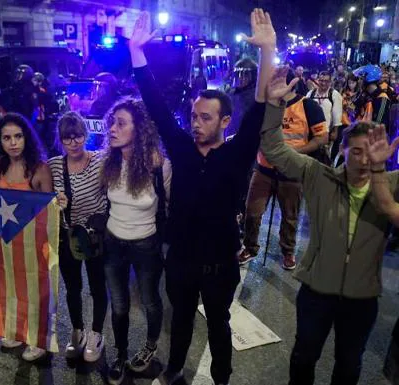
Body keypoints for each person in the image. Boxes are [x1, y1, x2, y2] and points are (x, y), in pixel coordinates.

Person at [128, 9, 275, 385]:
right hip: (180, 261)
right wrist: (136, 52)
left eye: (206, 117)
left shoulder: (237, 154)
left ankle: (221, 377)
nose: (196, 123)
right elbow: (157, 107)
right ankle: (175, 368)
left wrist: (267, 50)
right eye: (194, 116)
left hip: (220, 266)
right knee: (180, 320)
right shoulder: (181, 148)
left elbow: (259, 110)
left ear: (225, 121)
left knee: (219, 325)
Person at [261, 67, 392, 385]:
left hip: (362, 298)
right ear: (342, 152)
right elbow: (276, 150)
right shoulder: (319, 175)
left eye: (370, 153)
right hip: (317, 290)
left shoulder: (390, 187)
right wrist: (274, 107)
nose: (363, 159)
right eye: (355, 151)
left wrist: (380, 173)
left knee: (348, 365)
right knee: (304, 356)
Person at [99, 97, 171, 385]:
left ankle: (150, 348)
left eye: (121, 124)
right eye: (112, 123)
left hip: (146, 245)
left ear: (138, 129)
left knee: (151, 301)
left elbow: (172, 203)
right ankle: (119, 353)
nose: (113, 129)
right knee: (118, 304)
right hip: (113, 242)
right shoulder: (109, 161)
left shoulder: (158, 166)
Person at [238, 69, 327, 269]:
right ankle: (250, 247)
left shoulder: (308, 106)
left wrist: (294, 154)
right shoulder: (263, 107)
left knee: (290, 216)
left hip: (291, 173)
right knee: (252, 212)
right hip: (263, 170)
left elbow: (322, 138)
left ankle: (288, 250)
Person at [47, 112, 109, 362]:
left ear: (86, 135)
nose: (73, 143)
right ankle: (77, 331)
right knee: (72, 287)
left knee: (97, 286)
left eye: (78, 136)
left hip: (95, 235)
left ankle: (96, 333)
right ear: (60, 140)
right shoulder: (53, 165)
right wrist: (55, 202)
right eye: (67, 138)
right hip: (67, 235)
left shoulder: (99, 161)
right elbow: (39, 190)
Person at [0, 112, 53, 362]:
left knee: (35, 289)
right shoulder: (0, 162)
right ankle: (18, 330)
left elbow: (49, 211)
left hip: (33, 243)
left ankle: (38, 338)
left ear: (26, 137)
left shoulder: (40, 168)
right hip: (6, 241)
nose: (13, 142)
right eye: (7, 137)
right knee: (11, 287)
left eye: (18, 136)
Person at [355, 65, 391, 130]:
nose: (358, 81)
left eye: (361, 79)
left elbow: (378, 125)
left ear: (368, 79)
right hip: (360, 131)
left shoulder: (382, 97)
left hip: (371, 136)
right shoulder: (365, 94)